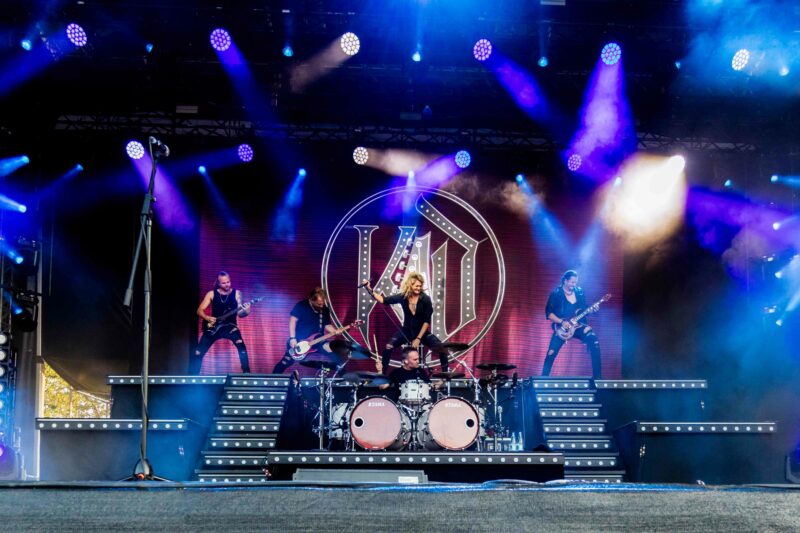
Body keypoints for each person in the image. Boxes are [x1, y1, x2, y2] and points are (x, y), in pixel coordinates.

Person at [363, 272, 448, 374]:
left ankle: (445, 375)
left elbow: (426, 321)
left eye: (420, 286)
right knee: (389, 346)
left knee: (442, 348)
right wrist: (369, 289)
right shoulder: (403, 297)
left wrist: (418, 338)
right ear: (410, 285)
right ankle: (383, 375)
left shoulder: (425, 299)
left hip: (421, 332)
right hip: (407, 331)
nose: (418, 288)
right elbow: (383, 300)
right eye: (416, 286)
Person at [541, 270, 602, 378]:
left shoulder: (579, 292)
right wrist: (561, 322)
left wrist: (593, 310)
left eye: (576, 282)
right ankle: (542, 380)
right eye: (572, 282)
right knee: (551, 353)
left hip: (578, 326)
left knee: (593, 340)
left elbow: (583, 310)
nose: (574, 285)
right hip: (562, 327)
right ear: (565, 281)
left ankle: (598, 378)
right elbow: (549, 313)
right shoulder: (556, 293)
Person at [188, 271, 251, 374]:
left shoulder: (237, 293)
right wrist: (207, 318)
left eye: (228, 282)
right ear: (218, 283)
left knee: (241, 347)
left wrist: (246, 311)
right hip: (213, 327)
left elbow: (240, 313)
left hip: (230, 327)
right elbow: (199, 310)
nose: (227, 285)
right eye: (223, 283)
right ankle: (192, 377)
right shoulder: (212, 294)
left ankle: (247, 374)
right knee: (198, 352)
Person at [272, 287, 337, 374]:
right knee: (285, 362)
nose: (322, 306)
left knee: (334, 354)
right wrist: (292, 338)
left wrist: (336, 331)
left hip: (317, 340)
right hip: (300, 340)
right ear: (312, 300)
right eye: (319, 304)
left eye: (323, 303)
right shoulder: (302, 305)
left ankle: (344, 378)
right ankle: (272, 379)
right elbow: (292, 321)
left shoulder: (324, 309)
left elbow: (327, 325)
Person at [375, 347, 442, 398]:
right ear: (406, 361)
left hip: (420, 406)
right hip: (401, 406)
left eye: (418, 359)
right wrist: (379, 370)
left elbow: (432, 386)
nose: (418, 361)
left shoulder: (420, 371)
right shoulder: (396, 372)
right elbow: (382, 387)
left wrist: (443, 380)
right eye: (415, 359)